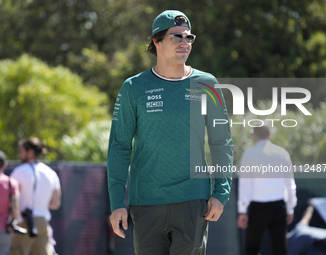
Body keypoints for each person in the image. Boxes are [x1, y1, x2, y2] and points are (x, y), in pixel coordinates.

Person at [107, 10, 233, 255]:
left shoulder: (208, 84)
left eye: (189, 38)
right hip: (145, 201)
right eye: (177, 37)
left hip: (193, 200)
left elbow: (222, 142)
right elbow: (119, 146)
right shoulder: (133, 87)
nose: (185, 43)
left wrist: (221, 192)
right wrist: (116, 203)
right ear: (157, 41)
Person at [237, 125, 297, 255]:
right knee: (280, 248)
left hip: (257, 208)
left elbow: (245, 184)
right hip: (279, 207)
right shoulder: (283, 153)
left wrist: (242, 210)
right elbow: (290, 184)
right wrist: (290, 207)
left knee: (251, 248)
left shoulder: (248, 155)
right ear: (270, 135)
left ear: (255, 136)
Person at [10, 137, 62, 255]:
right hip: (43, 223)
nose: (19, 155)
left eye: (22, 151)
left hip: (23, 222)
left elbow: (11, 198)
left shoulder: (19, 171)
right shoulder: (51, 173)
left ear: (30, 152)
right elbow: (55, 204)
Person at [0, 150, 20, 255]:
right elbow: (15, 206)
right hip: (4, 228)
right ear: (4, 165)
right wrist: (14, 220)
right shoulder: (11, 183)